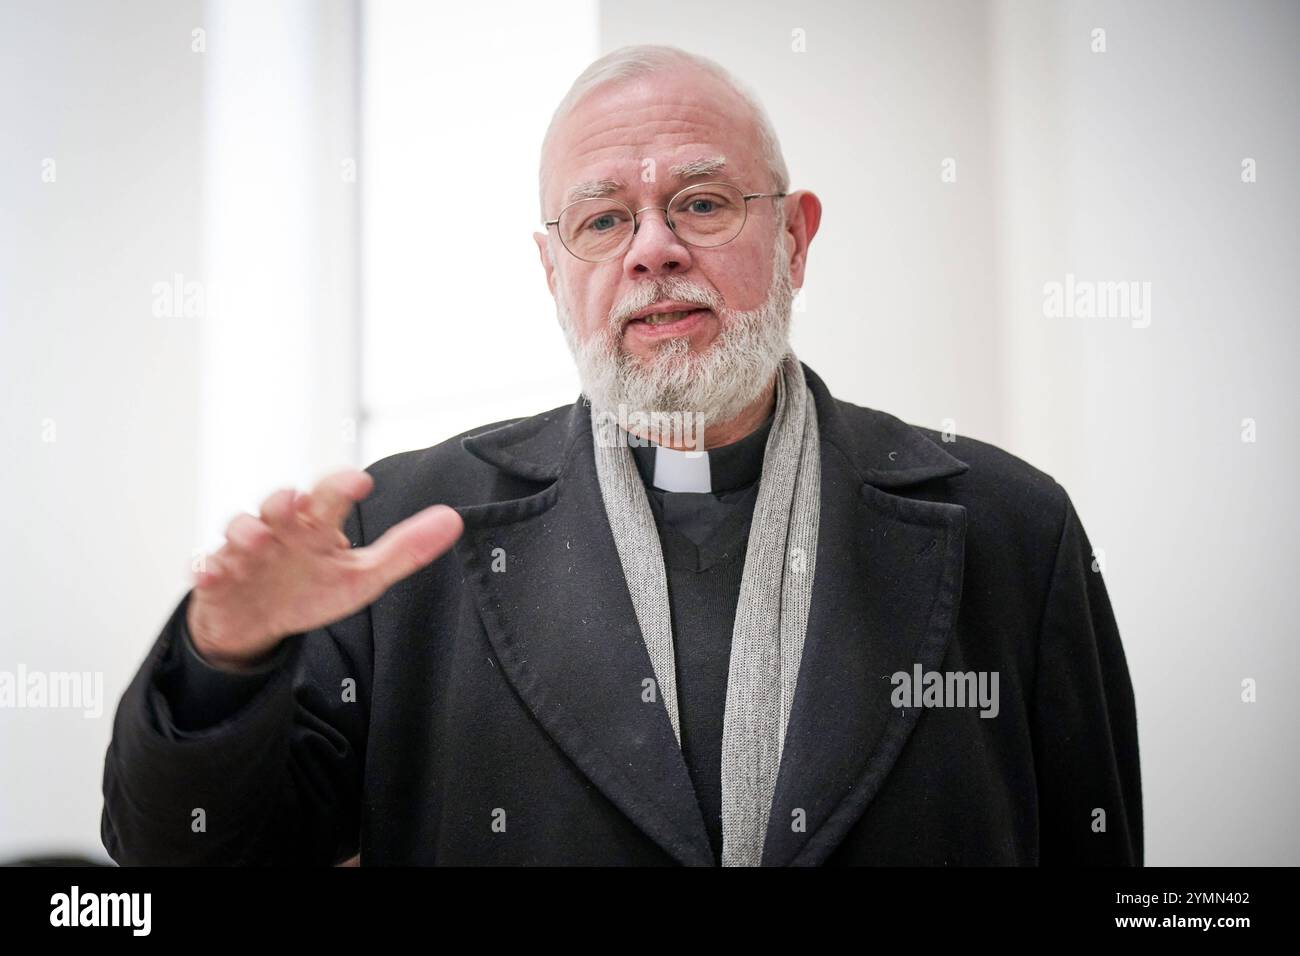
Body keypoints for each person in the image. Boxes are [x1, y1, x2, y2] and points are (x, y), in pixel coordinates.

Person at [100, 44, 1142, 867]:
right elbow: (191, 854)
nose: (652, 247)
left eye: (700, 201)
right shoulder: (402, 533)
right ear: (552, 271)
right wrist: (222, 659)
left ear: (795, 238)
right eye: (604, 218)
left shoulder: (1012, 526)